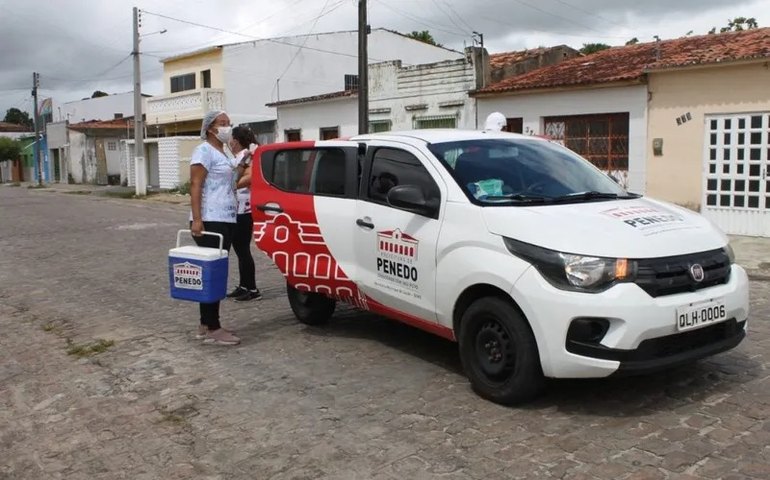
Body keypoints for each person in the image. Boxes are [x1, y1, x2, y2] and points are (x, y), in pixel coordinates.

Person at [189, 110, 240, 346]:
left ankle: (206, 323)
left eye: (228, 123)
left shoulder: (224, 150)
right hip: (211, 218)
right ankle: (213, 327)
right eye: (222, 123)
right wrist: (197, 218)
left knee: (216, 271)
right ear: (210, 128)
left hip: (227, 216)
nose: (227, 127)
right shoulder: (204, 151)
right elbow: (196, 184)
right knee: (214, 273)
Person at [226, 125, 262, 302]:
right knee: (239, 250)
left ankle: (252, 288)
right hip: (236, 208)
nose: (229, 141)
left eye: (231, 138)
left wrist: (231, 185)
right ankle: (243, 285)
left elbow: (250, 177)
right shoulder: (240, 156)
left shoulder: (248, 156)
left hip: (244, 210)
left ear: (236, 141)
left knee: (243, 249)